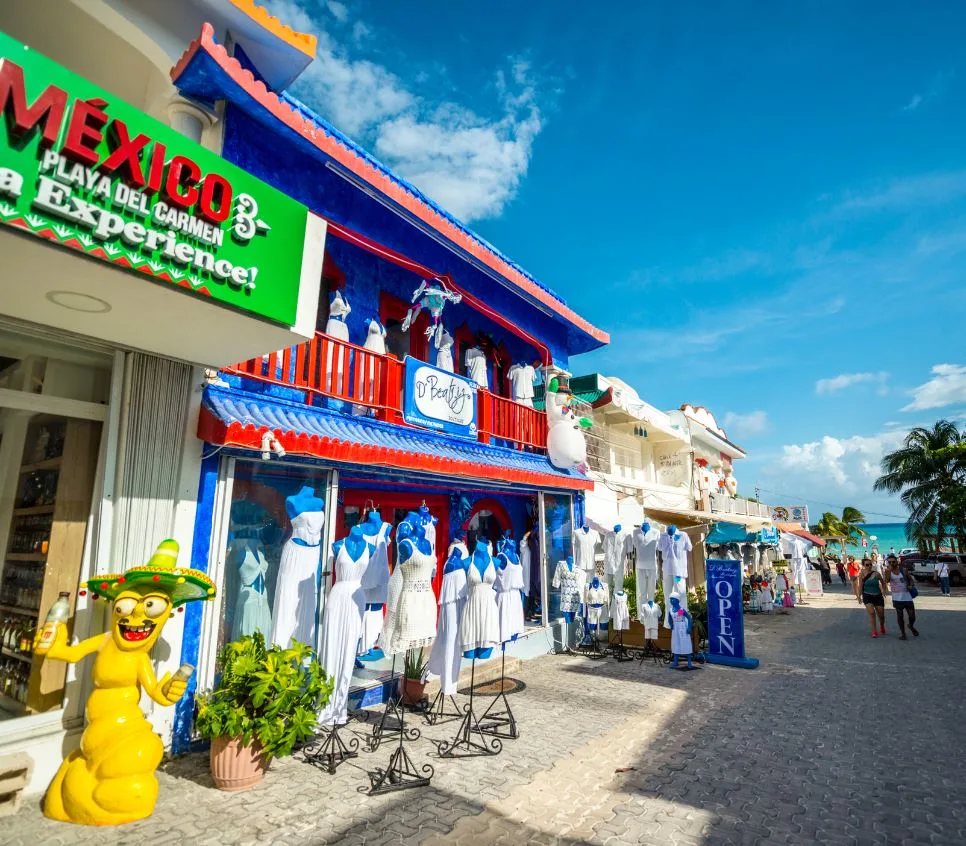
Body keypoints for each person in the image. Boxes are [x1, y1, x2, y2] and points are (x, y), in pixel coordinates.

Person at [886, 554, 918, 639]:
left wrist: (911, 585)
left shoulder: (903, 570)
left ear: (897, 561)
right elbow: (886, 580)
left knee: (912, 616)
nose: (892, 563)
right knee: (900, 616)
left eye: (893, 561)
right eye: (889, 562)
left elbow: (911, 580)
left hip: (907, 597)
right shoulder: (888, 571)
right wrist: (888, 571)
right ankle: (903, 634)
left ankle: (910, 626)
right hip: (897, 598)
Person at [856, 557, 886, 638]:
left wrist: (884, 590)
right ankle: (874, 631)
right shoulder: (861, 574)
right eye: (867, 565)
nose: (869, 566)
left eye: (870, 564)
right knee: (872, 613)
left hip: (878, 596)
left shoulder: (876, 573)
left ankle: (882, 625)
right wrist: (859, 596)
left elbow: (883, 582)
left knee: (881, 615)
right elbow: (860, 586)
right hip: (867, 595)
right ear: (863, 565)